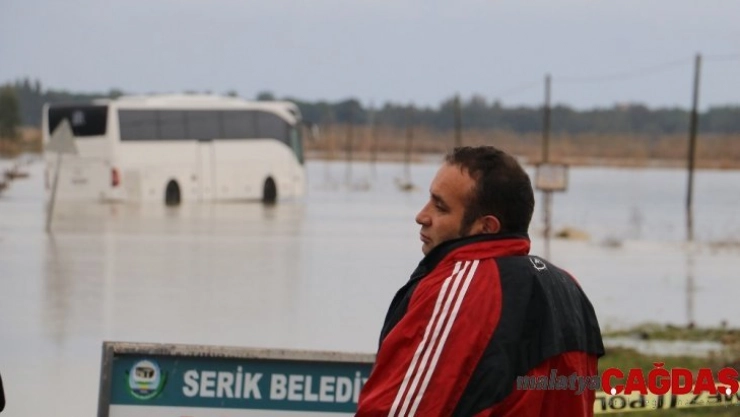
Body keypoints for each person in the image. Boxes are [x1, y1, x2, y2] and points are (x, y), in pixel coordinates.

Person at [356, 146, 604, 417]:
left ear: (486, 227)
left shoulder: (460, 288)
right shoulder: (569, 289)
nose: (422, 216)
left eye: (440, 207)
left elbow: (397, 409)